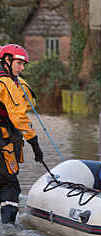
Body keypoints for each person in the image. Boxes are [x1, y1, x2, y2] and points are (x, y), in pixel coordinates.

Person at [0, 43, 43, 224]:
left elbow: (28, 99)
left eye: (24, 64)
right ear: (7, 61)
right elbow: (19, 116)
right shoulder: (6, 83)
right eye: (19, 63)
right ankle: (9, 230)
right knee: (10, 185)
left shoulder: (14, 82)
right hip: (3, 142)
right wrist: (34, 143)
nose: (22, 67)